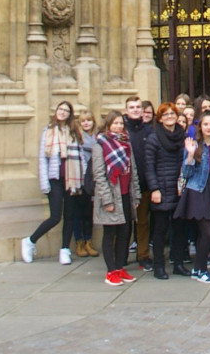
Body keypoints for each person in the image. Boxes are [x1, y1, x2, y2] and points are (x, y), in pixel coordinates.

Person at [22, 101, 82, 265]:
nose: (62, 112)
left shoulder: (73, 131)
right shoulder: (48, 131)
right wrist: (44, 183)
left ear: (70, 114)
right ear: (56, 112)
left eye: (66, 110)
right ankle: (30, 241)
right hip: (54, 179)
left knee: (69, 215)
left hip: (71, 178)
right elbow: (43, 159)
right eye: (60, 109)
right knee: (55, 216)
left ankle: (64, 250)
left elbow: (80, 155)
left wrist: (81, 178)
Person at [174, 111, 210, 283]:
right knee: (207, 232)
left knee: (206, 232)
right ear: (200, 127)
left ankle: (198, 269)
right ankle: (202, 270)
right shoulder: (193, 145)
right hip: (197, 190)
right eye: (205, 124)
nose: (208, 127)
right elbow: (186, 173)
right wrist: (190, 155)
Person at [92, 110, 141, 286]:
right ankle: (111, 270)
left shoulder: (126, 143)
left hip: (126, 195)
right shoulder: (101, 145)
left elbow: (132, 169)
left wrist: (136, 194)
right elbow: (99, 175)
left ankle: (120, 267)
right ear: (108, 125)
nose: (119, 126)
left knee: (125, 232)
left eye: (121, 123)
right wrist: (107, 200)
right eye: (115, 123)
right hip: (112, 196)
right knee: (110, 233)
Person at [144, 102, 188, 279]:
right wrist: (154, 188)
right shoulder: (154, 138)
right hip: (161, 188)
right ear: (160, 118)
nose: (170, 117)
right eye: (166, 114)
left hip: (178, 189)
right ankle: (159, 266)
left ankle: (178, 264)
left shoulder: (182, 135)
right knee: (160, 231)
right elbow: (149, 166)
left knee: (179, 229)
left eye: (172, 114)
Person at [123, 96, 152, 271]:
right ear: (126, 110)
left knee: (142, 223)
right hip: (125, 185)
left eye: (138, 107)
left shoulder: (148, 131)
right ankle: (121, 255)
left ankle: (143, 255)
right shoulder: (122, 130)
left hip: (144, 184)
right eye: (131, 107)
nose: (135, 110)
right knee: (124, 223)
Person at [72, 109, 100, 258]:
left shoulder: (96, 137)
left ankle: (89, 241)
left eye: (89, 120)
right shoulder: (77, 137)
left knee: (89, 213)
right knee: (78, 212)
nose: (86, 123)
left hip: (93, 178)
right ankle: (79, 242)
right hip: (80, 178)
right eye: (83, 121)